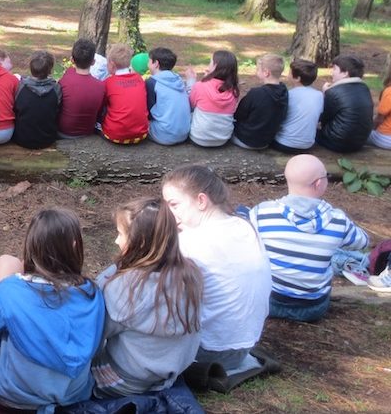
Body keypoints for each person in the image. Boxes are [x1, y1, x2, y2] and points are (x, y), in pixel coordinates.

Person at [0, 208, 105, 410]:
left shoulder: (10, 291)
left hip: (14, 395)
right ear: (74, 246)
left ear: (32, 246)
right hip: (72, 395)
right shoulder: (92, 294)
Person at [161, 165, 271, 379]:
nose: (169, 214)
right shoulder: (245, 226)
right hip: (245, 346)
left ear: (201, 200)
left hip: (207, 350)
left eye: (174, 205)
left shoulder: (189, 241)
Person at [92, 198, 202, 397]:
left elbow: (94, 337)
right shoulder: (191, 273)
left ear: (140, 241)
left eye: (120, 234)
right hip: (168, 375)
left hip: (125, 380)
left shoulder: (125, 288)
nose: (116, 241)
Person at [248, 154, 370, 322]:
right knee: (334, 252)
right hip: (312, 308)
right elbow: (363, 242)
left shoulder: (262, 213)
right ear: (319, 184)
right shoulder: (337, 220)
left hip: (269, 302)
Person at [316, 55, 374, 153]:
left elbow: (324, 118)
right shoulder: (364, 88)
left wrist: (326, 94)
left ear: (345, 73)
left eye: (334, 69)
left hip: (337, 143)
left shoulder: (334, 92)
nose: (332, 72)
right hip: (359, 142)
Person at [232, 54, 288, 150]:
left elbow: (239, 115)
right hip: (266, 141)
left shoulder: (256, 93)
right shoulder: (284, 92)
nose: (256, 72)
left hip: (245, 139)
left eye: (258, 69)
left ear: (266, 73)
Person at [184, 50, 239, 147]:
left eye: (210, 62)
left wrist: (191, 81)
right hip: (223, 139)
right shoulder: (234, 90)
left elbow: (191, 104)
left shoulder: (201, 86)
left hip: (198, 138)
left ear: (215, 66)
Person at [100, 43, 148, 144]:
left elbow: (101, 104)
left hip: (115, 135)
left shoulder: (108, 82)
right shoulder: (139, 79)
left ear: (111, 64)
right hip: (141, 133)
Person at [12, 50, 61, 149]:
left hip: (22, 138)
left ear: (31, 67)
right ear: (50, 70)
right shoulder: (56, 88)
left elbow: (16, 107)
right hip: (46, 139)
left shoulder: (20, 86)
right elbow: (57, 108)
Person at [273, 59, 324, 153]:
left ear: (297, 78)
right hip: (308, 145)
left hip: (284, 143)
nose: (287, 75)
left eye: (290, 73)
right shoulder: (319, 95)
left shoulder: (289, 95)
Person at [58, 39, 105, 139]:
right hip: (87, 131)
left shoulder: (64, 81)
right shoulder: (100, 86)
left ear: (72, 60)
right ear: (93, 62)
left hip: (63, 130)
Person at [145, 47, 191, 146]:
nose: (147, 65)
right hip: (184, 133)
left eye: (149, 61)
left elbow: (147, 111)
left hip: (164, 134)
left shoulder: (152, 83)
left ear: (156, 64)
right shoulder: (178, 80)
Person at [369, 71, 391, 149]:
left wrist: (369, 129)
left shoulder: (389, 91)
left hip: (386, 137)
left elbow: (379, 119)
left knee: (358, 133)